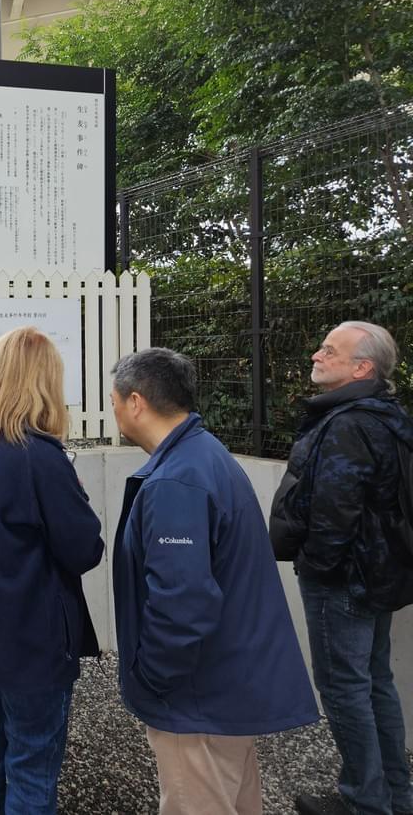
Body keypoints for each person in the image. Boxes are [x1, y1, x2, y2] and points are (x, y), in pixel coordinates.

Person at [110, 347, 318, 815]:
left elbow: (182, 602)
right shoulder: (203, 454)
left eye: (115, 400)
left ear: (136, 402)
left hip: (196, 695)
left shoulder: (176, 481)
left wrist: (153, 679)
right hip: (223, 682)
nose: (115, 409)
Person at [0, 327, 103, 815]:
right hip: (33, 641)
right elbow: (83, 549)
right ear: (42, 382)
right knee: (31, 765)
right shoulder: (39, 454)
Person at [270, 322, 413, 815]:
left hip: (344, 580)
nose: (315, 353)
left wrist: (315, 565)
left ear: (362, 367)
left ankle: (365, 802)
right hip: (377, 574)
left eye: (329, 350)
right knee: (374, 682)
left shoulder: (349, 423)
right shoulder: (385, 415)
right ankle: (394, 796)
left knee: (345, 687)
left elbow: (334, 512)